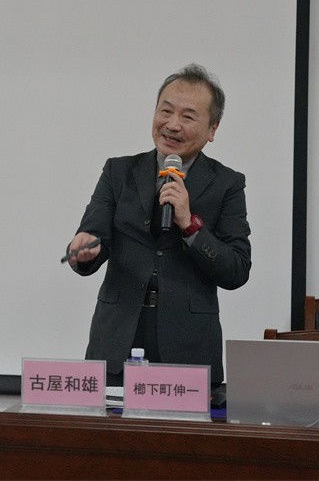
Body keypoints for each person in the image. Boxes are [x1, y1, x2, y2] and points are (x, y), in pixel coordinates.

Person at [66, 63, 251, 386]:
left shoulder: (227, 184)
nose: (172, 125)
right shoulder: (118, 172)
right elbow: (93, 236)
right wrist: (83, 250)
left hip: (188, 348)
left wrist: (190, 225)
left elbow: (236, 270)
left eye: (188, 117)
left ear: (212, 129)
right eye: (165, 111)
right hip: (116, 339)